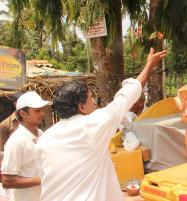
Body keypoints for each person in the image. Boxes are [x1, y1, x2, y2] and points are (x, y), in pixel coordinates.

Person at [34, 48, 167, 201]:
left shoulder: (45, 138)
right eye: (90, 98)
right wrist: (149, 64)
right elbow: (128, 94)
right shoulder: (94, 124)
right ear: (81, 107)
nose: (93, 102)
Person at [1, 91, 50, 201]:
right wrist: (43, 179)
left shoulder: (40, 134)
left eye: (42, 110)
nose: (42, 114)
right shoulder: (16, 141)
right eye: (37, 111)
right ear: (23, 114)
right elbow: (7, 181)